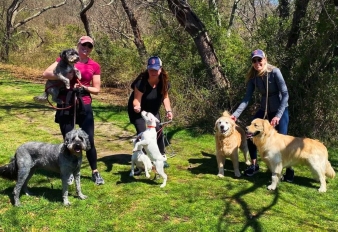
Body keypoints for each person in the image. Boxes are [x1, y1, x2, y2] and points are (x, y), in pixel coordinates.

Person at [42, 36, 104, 185]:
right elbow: (46, 74)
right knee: (68, 139)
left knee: (88, 140)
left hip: (84, 102)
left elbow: (97, 89)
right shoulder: (62, 60)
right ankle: (68, 171)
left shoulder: (94, 65)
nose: (86, 48)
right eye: (84, 45)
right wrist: (65, 76)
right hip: (65, 100)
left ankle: (95, 172)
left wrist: (84, 87)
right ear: (78, 45)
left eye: (89, 46)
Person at [230, 49, 294, 182]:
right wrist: (235, 115)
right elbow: (247, 98)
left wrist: (278, 115)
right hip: (264, 110)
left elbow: (285, 94)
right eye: (254, 60)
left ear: (265, 59)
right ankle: (254, 165)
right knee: (250, 133)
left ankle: (289, 169)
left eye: (259, 59)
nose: (257, 62)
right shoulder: (253, 77)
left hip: (280, 109)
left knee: (283, 141)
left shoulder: (275, 71)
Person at [128, 56, 173, 167]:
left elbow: (165, 97)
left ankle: (161, 157)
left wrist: (168, 110)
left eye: (156, 69)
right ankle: (143, 160)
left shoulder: (164, 82)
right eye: (151, 69)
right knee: (144, 134)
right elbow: (136, 100)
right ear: (147, 69)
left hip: (153, 111)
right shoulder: (141, 82)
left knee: (158, 131)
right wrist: (137, 106)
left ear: (160, 69)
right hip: (139, 113)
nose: (153, 72)